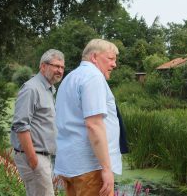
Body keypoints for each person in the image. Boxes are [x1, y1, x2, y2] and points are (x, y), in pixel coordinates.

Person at [54, 39, 122, 196]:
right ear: (94, 57)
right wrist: (106, 168)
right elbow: (94, 125)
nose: (114, 65)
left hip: (70, 164)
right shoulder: (93, 77)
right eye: (110, 59)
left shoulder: (69, 78)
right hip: (90, 167)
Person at [10, 49, 65, 196]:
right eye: (56, 66)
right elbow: (21, 125)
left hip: (42, 156)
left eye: (62, 67)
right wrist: (33, 159)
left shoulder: (48, 89)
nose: (59, 70)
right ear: (43, 66)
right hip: (34, 156)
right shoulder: (31, 88)